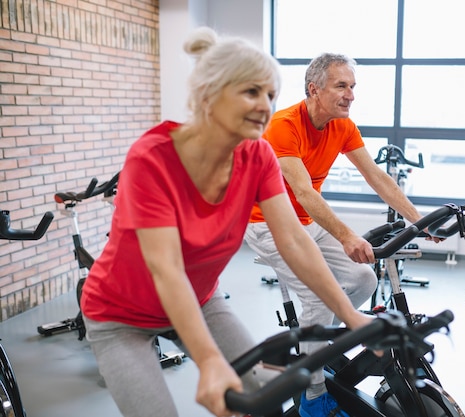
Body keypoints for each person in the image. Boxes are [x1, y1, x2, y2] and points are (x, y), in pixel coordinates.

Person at [80, 28, 373, 417]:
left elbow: (294, 240)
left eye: (270, 95)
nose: (265, 105)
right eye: (251, 92)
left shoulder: (258, 156)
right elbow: (166, 270)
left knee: (260, 397)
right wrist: (210, 361)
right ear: (210, 94)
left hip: (201, 300)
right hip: (121, 317)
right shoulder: (152, 158)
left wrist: (351, 314)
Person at [245, 53, 440, 417]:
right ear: (313, 89)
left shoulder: (343, 126)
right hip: (268, 223)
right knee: (321, 296)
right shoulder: (283, 126)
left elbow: (377, 176)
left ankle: (317, 352)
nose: (350, 94)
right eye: (341, 86)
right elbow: (303, 192)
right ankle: (313, 396)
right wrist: (348, 235)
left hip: (307, 223)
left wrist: (419, 220)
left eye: (353, 86)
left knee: (363, 279)